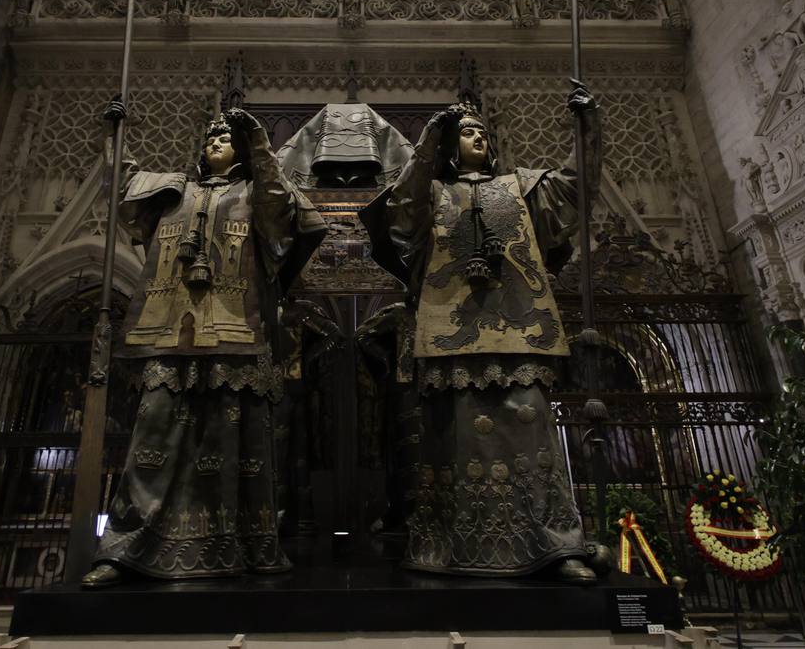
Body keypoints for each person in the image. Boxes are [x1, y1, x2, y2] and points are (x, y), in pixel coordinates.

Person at [359, 87, 603, 583]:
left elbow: (576, 187)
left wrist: (587, 128)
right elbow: (400, 215)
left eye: (482, 133)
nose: (476, 139)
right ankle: (454, 542)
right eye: (466, 133)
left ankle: (556, 543)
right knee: (459, 441)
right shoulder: (431, 193)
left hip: (519, 329)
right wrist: (428, 141)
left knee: (532, 432)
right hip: (452, 332)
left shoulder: (522, 188)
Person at [83, 108, 326, 585]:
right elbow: (124, 187)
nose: (216, 141)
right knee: (152, 437)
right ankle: (124, 548)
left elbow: (283, 217)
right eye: (211, 136)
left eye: (227, 137)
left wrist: (259, 141)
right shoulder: (174, 190)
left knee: (229, 441)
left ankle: (238, 543)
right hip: (169, 329)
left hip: (235, 331)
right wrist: (114, 136)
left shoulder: (256, 191)